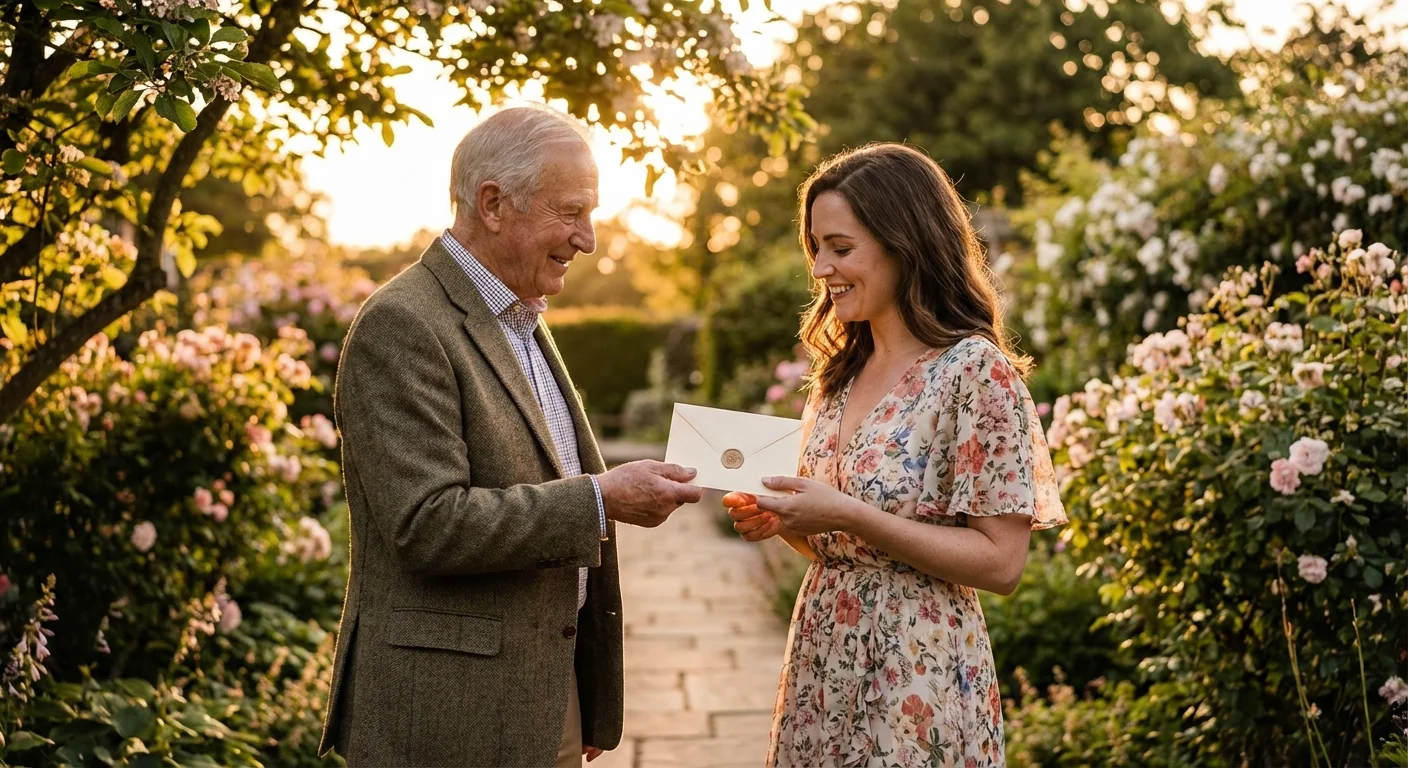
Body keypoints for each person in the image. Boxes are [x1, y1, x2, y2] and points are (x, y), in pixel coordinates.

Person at [318, 105, 704, 767]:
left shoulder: (520, 315)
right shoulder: (402, 325)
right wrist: (600, 500)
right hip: (450, 715)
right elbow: (427, 523)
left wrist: (572, 692)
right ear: (493, 204)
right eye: (571, 211)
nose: (588, 238)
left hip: (535, 693)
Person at [724, 143, 1066, 767]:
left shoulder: (974, 374)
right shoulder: (837, 376)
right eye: (816, 248)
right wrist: (785, 522)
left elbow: (1001, 563)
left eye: (841, 247)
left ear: (904, 244)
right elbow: (836, 540)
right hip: (822, 661)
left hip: (917, 673)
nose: (822, 267)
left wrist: (851, 515)